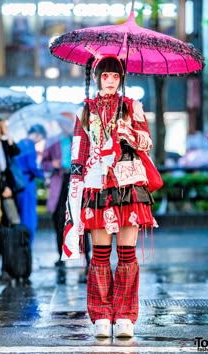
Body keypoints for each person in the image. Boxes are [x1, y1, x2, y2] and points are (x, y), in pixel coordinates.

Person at [62, 55, 157, 338]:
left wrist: (128, 134)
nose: (111, 81)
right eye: (106, 76)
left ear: (121, 80)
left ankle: (126, 315)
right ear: (97, 78)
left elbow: (147, 142)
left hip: (128, 183)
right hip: (96, 184)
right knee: (101, 255)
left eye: (116, 76)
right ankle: (102, 314)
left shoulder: (132, 106)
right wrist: (75, 187)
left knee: (127, 253)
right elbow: (78, 151)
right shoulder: (86, 110)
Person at [41, 117, 74, 270]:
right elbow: (44, 163)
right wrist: (52, 164)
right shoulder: (54, 141)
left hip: (76, 181)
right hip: (59, 180)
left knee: (78, 220)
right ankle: (61, 255)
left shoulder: (80, 139)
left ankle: (86, 256)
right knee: (59, 220)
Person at [0, 114, 21, 280]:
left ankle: (7, 267)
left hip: (7, 190)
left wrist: (7, 132)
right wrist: (1, 187)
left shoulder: (3, 144)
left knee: (8, 228)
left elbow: (16, 151)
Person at [15, 124, 46, 245]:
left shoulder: (19, 143)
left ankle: (20, 245)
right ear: (38, 134)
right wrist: (43, 175)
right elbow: (32, 166)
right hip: (27, 183)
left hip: (18, 184)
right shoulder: (29, 145)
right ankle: (27, 246)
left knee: (20, 215)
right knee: (29, 217)